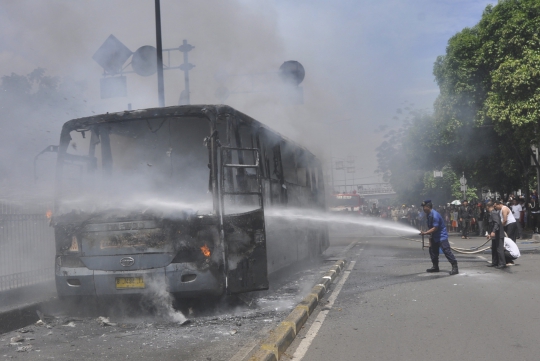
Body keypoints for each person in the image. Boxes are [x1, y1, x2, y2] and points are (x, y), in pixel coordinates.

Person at [420, 200, 459, 275]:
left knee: (446, 251)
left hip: (441, 236)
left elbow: (435, 228)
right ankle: (435, 267)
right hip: (434, 236)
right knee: (433, 251)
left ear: (428, 207)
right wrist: (429, 236)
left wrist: (425, 233)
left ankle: (455, 267)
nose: (423, 209)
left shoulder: (435, 215)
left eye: (424, 207)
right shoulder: (428, 214)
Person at [486, 201, 507, 269]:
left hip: (498, 234)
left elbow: (496, 223)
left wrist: (493, 231)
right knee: (494, 249)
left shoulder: (493, 213)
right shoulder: (492, 213)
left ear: (488, 207)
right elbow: (491, 225)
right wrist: (490, 233)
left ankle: (502, 263)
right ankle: (495, 262)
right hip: (495, 234)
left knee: (499, 249)